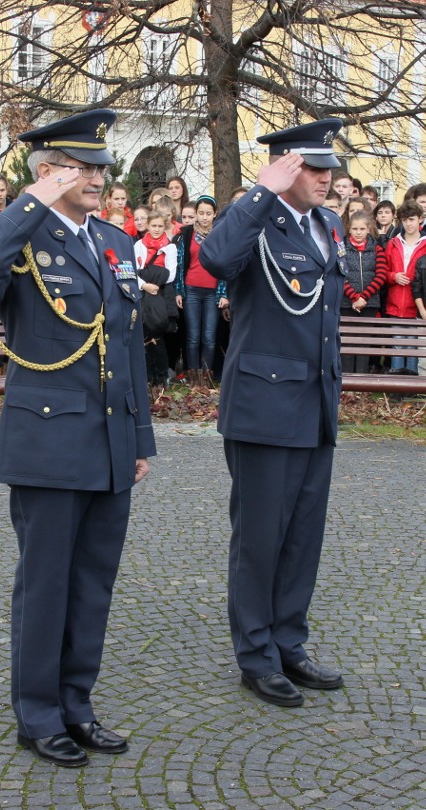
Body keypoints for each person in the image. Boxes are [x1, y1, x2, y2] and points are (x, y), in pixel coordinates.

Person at [0, 109, 156, 767]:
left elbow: (129, 349)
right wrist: (26, 202)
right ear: (47, 172)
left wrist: (142, 437)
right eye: (81, 166)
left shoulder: (116, 244)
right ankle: (37, 715)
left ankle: (77, 703)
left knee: (93, 582)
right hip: (47, 444)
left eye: (99, 165)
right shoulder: (23, 239)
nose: (98, 175)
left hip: (110, 441)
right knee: (46, 584)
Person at [200, 118, 346, 708]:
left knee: (302, 535)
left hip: (314, 403)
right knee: (260, 538)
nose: (326, 177)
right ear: (285, 168)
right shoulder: (258, 221)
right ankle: (256, 656)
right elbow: (213, 257)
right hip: (264, 405)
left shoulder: (328, 225)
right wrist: (258, 192)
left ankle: (290, 642)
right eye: (312, 167)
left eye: (328, 167)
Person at [174, 195, 228, 376]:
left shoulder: (220, 234)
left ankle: (207, 373)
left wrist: (224, 293)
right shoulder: (187, 233)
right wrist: (179, 291)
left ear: (215, 214)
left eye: (208, 213)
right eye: (201, 213)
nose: (204, 217)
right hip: (192, 289)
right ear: (195, 214)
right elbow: (181, 263)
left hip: (213, 290)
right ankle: (193, 373)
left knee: (209, 336)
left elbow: (226, 264)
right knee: (193, 336)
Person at [340, 211, 388, 373]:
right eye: (355, 229)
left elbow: (381, 275)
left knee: (363, 343)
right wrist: (354, 297)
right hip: (347, 303)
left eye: (362, 229)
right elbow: (339, 274)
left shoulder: (377, 249)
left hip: (369, 303)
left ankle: (361, 381)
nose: (358, 232)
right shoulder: (341, 249)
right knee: (347, 343)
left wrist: (363, 297)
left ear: (368, 229)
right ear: (349, 229)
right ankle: (347, 385)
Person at [135, 210, 178, 386]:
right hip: (144, 292)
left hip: (160, 294)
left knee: (158, 333)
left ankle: (162, 375)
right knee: (144, 333)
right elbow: (134, 270)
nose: (157, 229)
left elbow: (171, 274)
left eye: (160, 226)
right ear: (148, 225)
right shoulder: (138, 245)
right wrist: (144, 284)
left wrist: (147, 275)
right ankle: (147, 374)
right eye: (154, 225)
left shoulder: (170, 247)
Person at [384, 200, 426, 375]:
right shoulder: (393, 243)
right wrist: (394, 276)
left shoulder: (424, 244)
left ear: (420, 220)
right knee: (398, 344)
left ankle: (411, 387)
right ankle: (396, 387)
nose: (409, 224)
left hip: (416, 305)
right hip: (395, 303)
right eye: (405, 220)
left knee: (413, 345)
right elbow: (382, 271)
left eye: (412, 219)